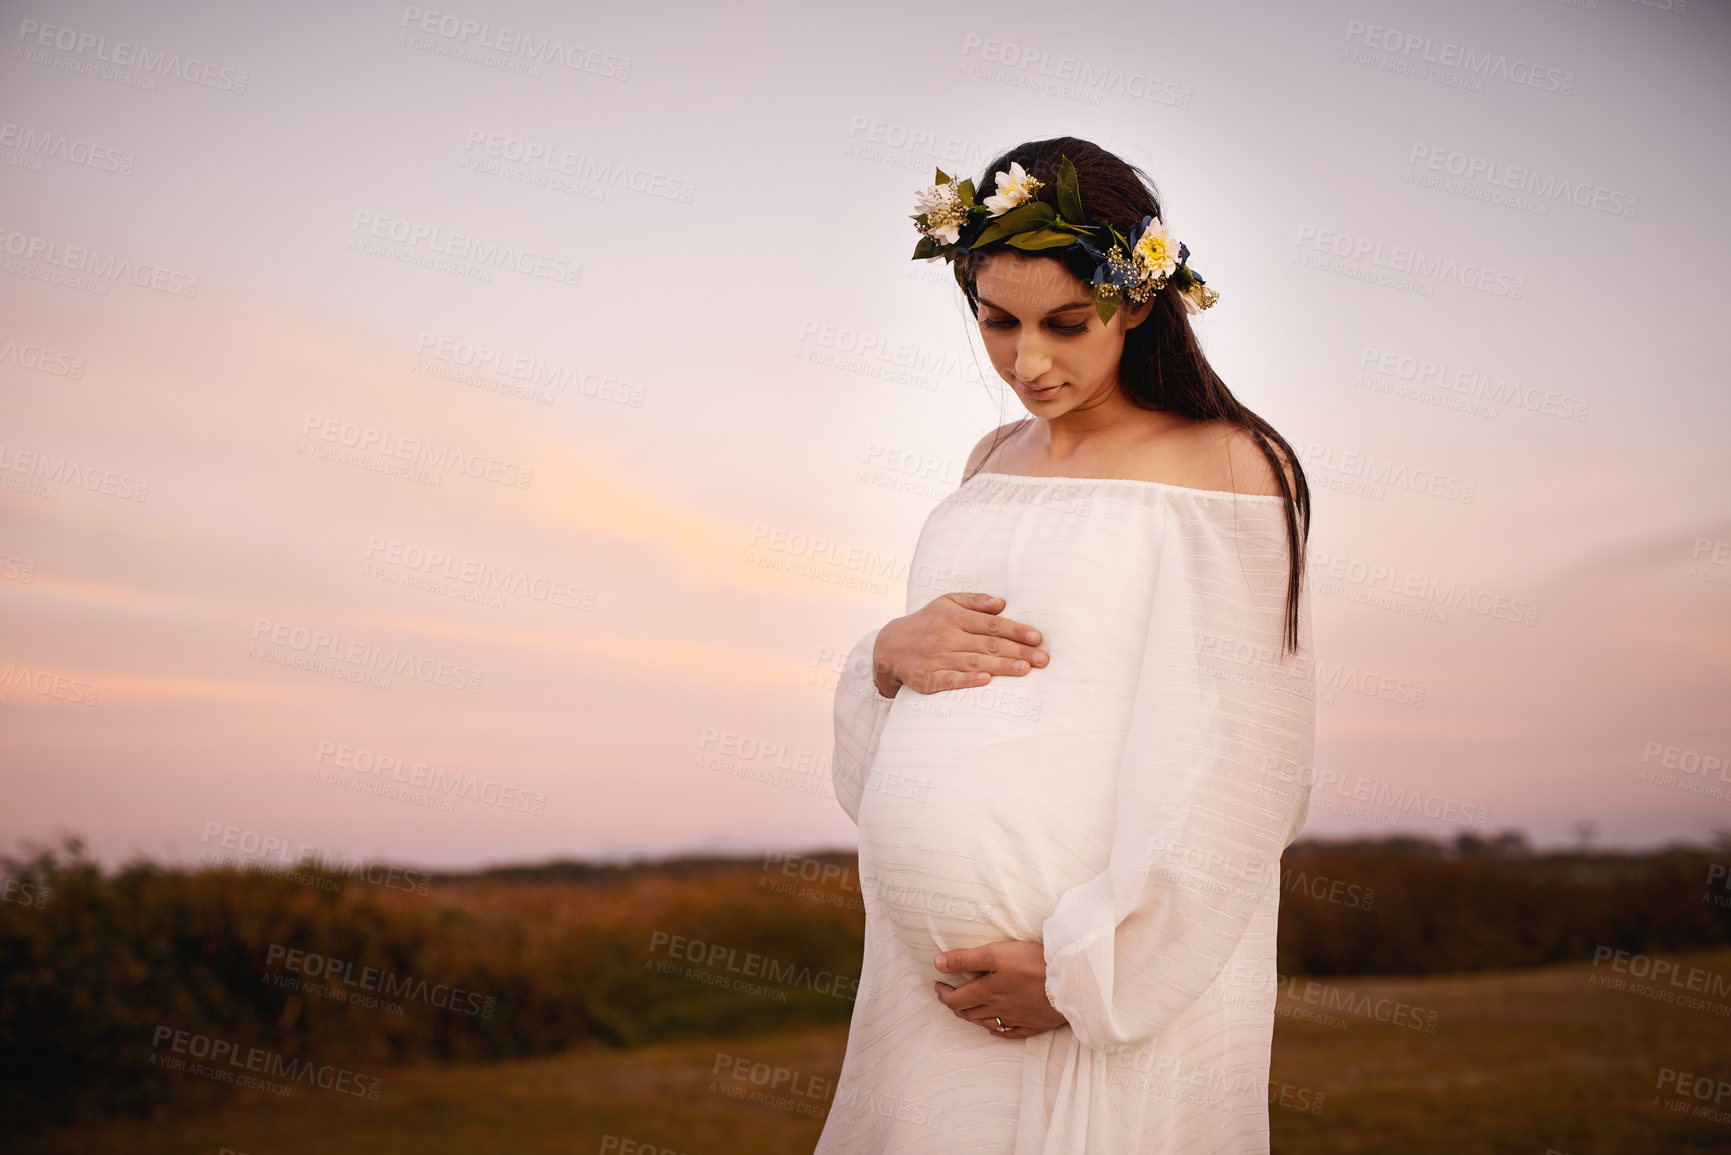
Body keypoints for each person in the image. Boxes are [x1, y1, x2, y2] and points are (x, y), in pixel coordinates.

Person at [813, 137, 1317, 1154]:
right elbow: (941, 675)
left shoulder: (1231, 464)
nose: (1027, 362)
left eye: (1065, 324)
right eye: (997, 323)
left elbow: (1247, 764)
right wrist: (884, 656)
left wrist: (1090, 973)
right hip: (930, 990)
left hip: (1094, 989)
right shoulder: (992, 456)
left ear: (1136, 300)